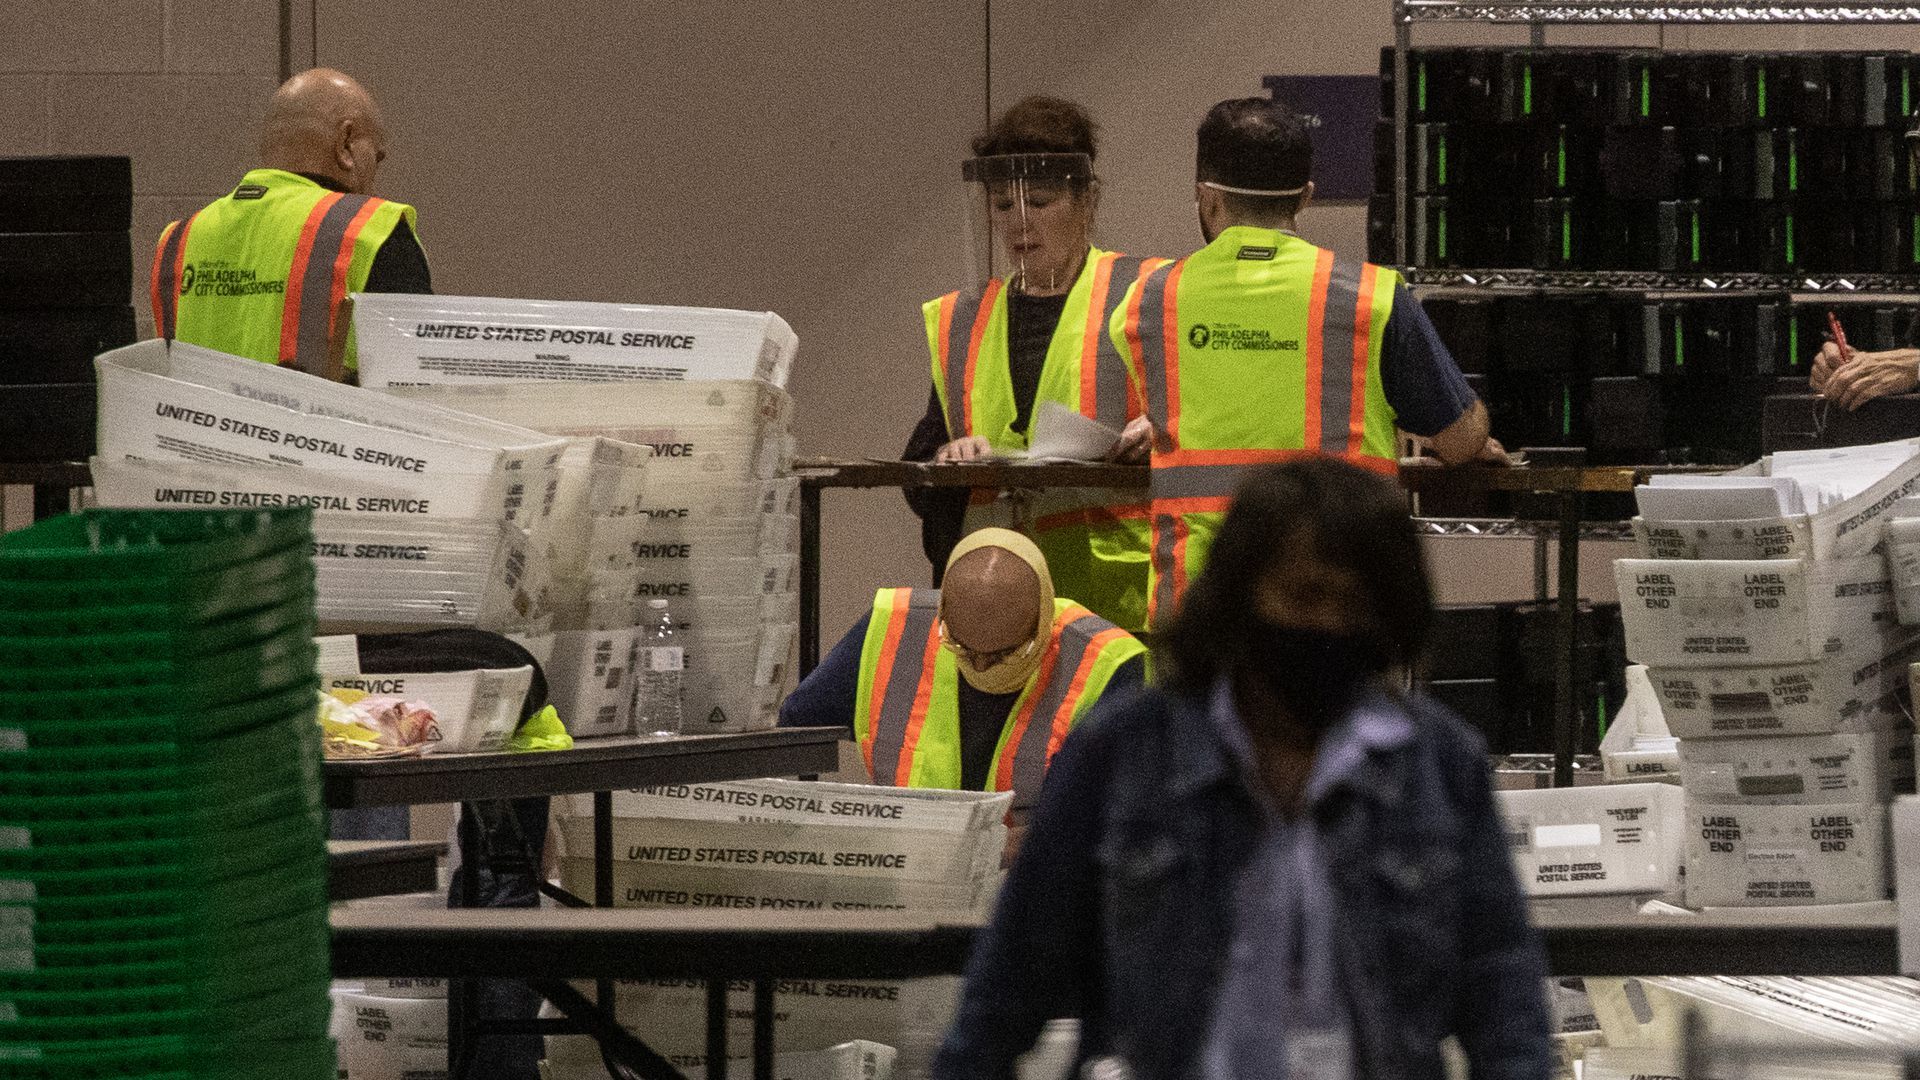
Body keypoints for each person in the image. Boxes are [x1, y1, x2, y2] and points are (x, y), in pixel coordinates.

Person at [932, 459, 1552, 1080]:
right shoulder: (1125, 756)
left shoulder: (1441, 767)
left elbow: (1504, 1000)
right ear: (1239, 593)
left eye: (1356, 604)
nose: (1330, 625)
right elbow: (1008, 987)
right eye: (1305, 595)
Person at [1111, 97, 1505, 626]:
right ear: (1307, 197)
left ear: (1207, 199)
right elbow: (1459, 440)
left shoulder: (1144, 303)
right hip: (1341, 604)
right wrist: (1468, 433)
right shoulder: (1372, 297)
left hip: (1203, 610)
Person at [903, 96, 1166, 632]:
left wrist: (1164, 428)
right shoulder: (962, 318)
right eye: (1002, 206)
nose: (1019, 224)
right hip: (997, 604)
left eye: (1040, 202)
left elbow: (1210, 418)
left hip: (1114, 605)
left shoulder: (1149, 294)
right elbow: (921, 460)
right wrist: (948, 456)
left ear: (1087, 201)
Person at [778, 528, 1146, 821]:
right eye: (963, 649)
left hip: (1034, 880)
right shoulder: (896, 627)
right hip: (913, 872)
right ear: (943, 613)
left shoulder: (1108, 663)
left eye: (1004, 653)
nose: (982, 666)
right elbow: (794, 731)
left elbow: (1133, 811)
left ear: (1043, 621)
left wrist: (1042, 842)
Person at [149, 67, 430, 381]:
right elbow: (416, 393)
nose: (374, 177)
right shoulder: (371, 232)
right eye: (376, 157)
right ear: (346, 143)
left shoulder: (178, 241)